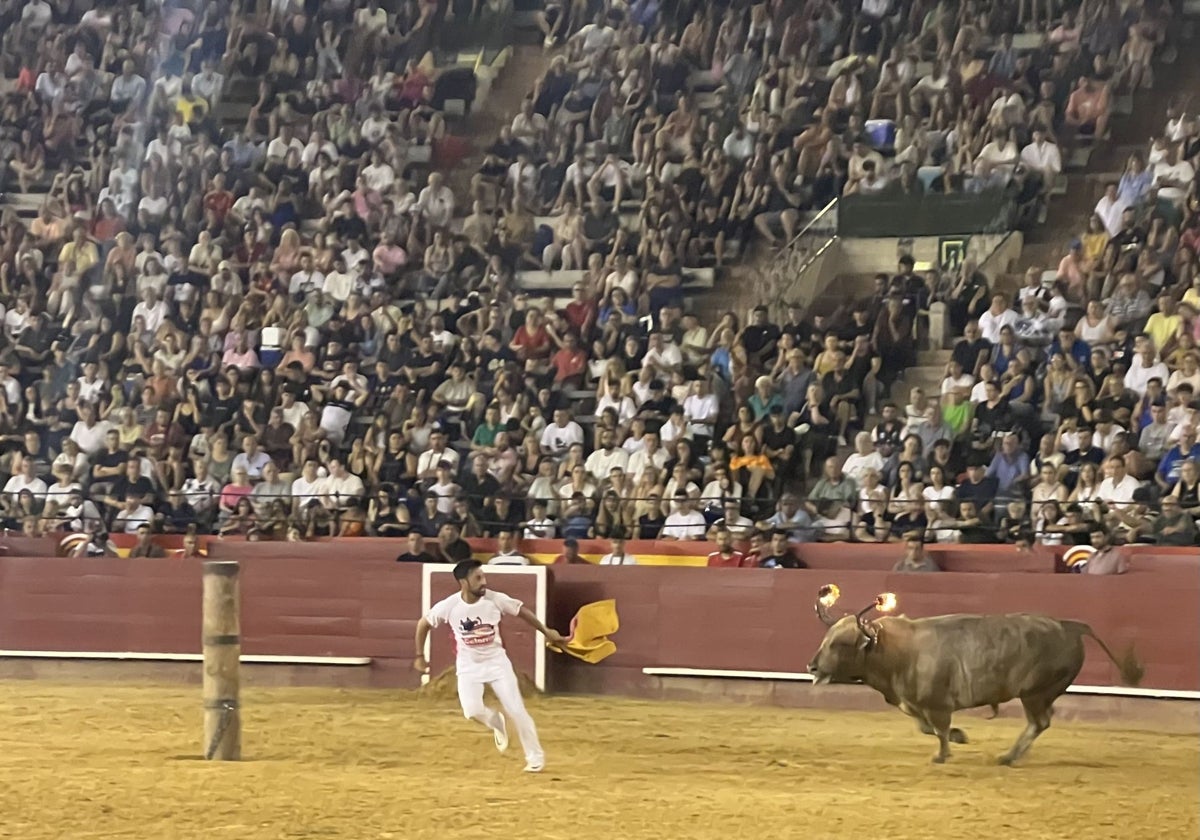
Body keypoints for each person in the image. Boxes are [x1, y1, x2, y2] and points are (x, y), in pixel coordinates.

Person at [414, 561, 567, 773]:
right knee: (471, 711)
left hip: (497, 663)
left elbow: (521, 611)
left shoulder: (495, 599)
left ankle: (535, 757)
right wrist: (420, 655)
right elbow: (423, 624)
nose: (484, 582)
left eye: (483, 576)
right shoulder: (449, 606)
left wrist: (545, 630)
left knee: (517, 710)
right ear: (463, 582)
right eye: (477, 578)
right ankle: (495, 721)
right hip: (468, 666)